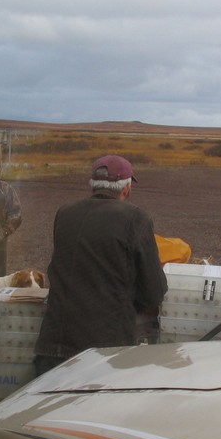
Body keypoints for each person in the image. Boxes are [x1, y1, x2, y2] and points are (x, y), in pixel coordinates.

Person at [33, 155, 167, 376]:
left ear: (92, 185)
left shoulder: (65, 213)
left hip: (54, 346)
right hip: (105, 352)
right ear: (127, 188)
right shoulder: (136, 218)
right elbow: (153, 291)